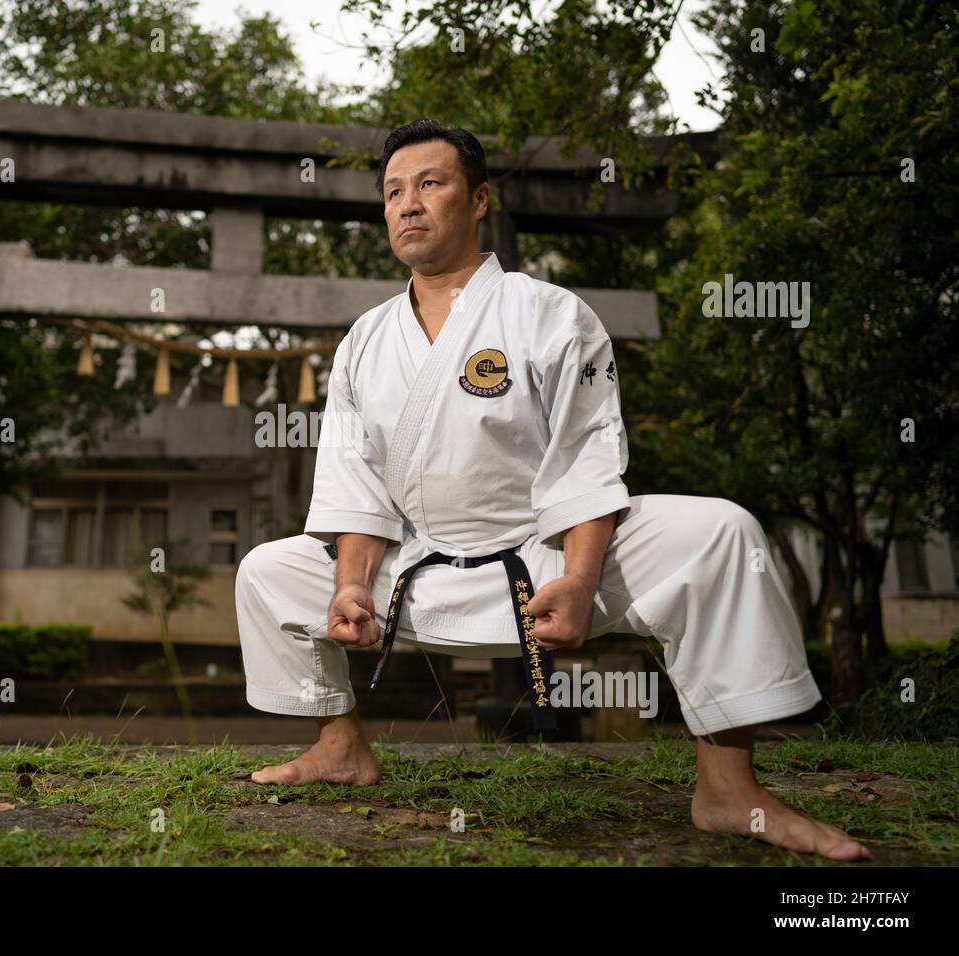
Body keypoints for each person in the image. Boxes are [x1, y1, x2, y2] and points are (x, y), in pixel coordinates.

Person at [235, 119, 869, 861]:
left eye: (430, 185)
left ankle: (728, 787)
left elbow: (586, 458)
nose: (408, 205)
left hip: (546, 563)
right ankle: (341, 746)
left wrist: (579, 576)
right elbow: (354, 488)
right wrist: (349, 585)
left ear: (478, 201)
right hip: (417, 571)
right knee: (268, 571)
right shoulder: (365, 340)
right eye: (393, 192)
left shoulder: (550, 313)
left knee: (722, 533)